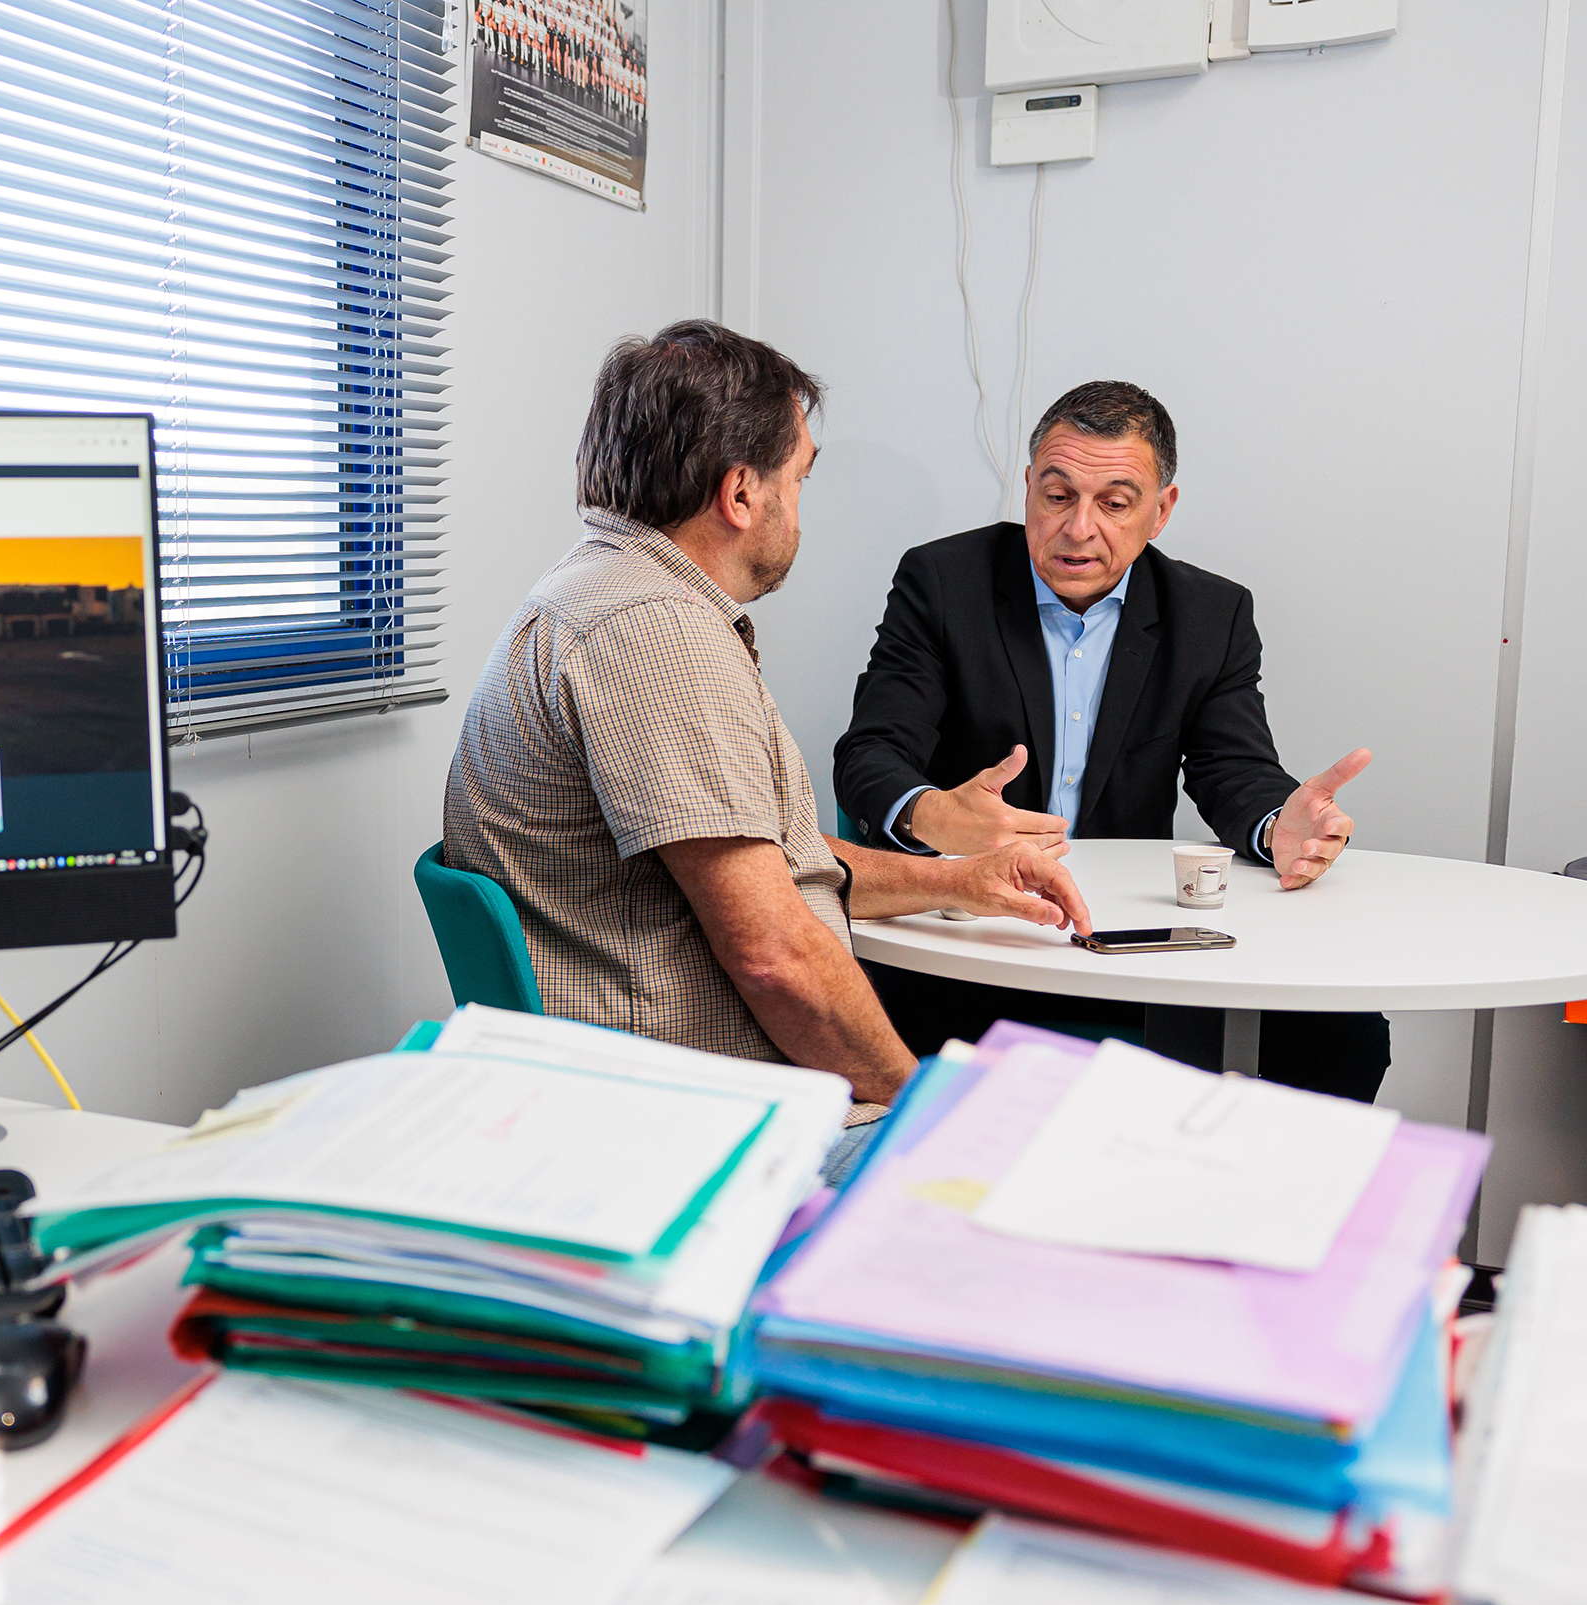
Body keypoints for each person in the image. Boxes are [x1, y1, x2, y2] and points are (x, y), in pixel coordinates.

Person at [441, 320, 1092, 1108]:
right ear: (743, 493)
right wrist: (915, 1105)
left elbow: (762, 849)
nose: (798, 508)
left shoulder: (596, 591)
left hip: (650, 1083)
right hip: (695, 1112)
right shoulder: (657, 636)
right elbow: (775, 955)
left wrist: (958, 880)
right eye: (799, 479)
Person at [832, 380, 1389, 1102]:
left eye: (1115, 503)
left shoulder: (1210, 614)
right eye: (1057, 495)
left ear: (1161, 511)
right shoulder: (944, 581)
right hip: (975, 930)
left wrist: (1279, 823)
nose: (1078, 527)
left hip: (1126, 933)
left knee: (1345, 1039)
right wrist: (932, 813)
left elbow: (1234, 768)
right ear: (1028, 488)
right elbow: (870, 754)